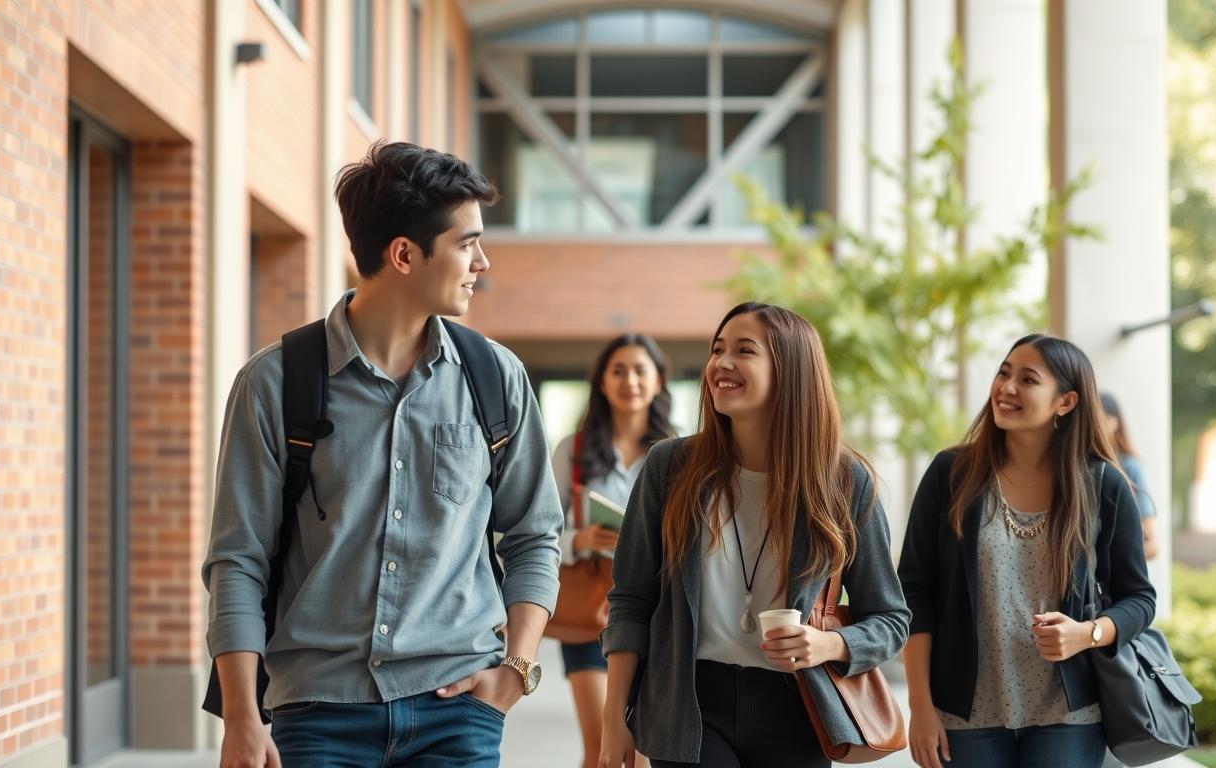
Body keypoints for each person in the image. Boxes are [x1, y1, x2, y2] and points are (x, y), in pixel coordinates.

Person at [202, 142, 563, 768]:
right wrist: (240, 717)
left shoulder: (494, 377)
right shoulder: (274, 382)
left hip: (459, 713)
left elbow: (535, 535)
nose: (482, 261)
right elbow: (238, 560)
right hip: (317, 716)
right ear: (403, 254)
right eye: (466, 242)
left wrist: (516, 670)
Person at [599, 302, 911, 768]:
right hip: (690, 703)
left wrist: (829, 644)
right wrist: (613, 719)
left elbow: (891, 618)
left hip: (799, 707)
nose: (721, 363)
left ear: (791, 371)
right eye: (717, 349)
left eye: (744, 350)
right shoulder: (670, 467)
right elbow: (632, 600)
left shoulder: (844, 481)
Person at [897, 334, 1156, 768]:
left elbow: (1140, 599)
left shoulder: (1103, 485)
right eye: (1004, 373)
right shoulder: (951, 474)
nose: (1007, 387)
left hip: (1069, 714)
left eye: (1027, 379)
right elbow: (915, 593)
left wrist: (1086, 633)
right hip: (966, 714)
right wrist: (920, 707)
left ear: (1066, 402)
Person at [551, 334, 674, 768]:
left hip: (658, 614)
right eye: (618, 370)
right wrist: (578, 540)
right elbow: (539, 531)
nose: (630, 380)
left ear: (658, 381)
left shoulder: (678, 454)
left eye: (640, 370)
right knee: (601, 747)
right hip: (590, 613)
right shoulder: (575, 449)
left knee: (644, 753)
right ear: (601, 382)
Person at [1099, 393, 1159, 559]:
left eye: (1103, 418)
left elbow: (1151, 544)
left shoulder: (1130, 466)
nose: (1097, 425)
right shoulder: (1079, 465)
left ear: (1115, 422)